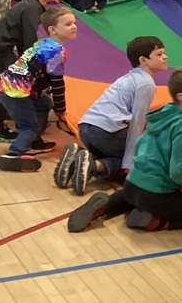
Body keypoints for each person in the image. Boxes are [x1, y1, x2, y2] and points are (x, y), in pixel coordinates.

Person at [66, 68, 182, 233]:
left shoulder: (161, 114)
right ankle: (155, 221)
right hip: (157, 196)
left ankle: (108, 204)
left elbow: (139, 146)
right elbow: (177, 172)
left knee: (134, 195)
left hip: (132, 184)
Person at [55, 36, 167, 195]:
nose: (165, 57)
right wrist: (129, 161)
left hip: (86, 127)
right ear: (144, 59)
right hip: (105, 132)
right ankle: (95, 166)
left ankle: (77, 160)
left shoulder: (129, 77)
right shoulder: (146, 84)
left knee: (109, 152)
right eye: (159, 54)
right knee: (138, 157)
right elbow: (137, 121)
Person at [0, 6, 76, 172]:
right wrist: (61, 108)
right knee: (29, 126)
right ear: (52, 30)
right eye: (68, 24)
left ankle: (31, 140)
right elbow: (57, 82)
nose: (74, 27)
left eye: (74, 23)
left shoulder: (43, 43)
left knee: (43, 103)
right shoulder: (56, 51)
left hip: (8, 84)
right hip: (15, 91)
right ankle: (13, 154)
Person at [0, 0, 62, 142]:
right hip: (1, 51)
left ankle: (28, 133)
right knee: (11, 87)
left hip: (6, 49)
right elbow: (29, 43)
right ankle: (24, 133)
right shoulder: (31, 8)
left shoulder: (34, 6)